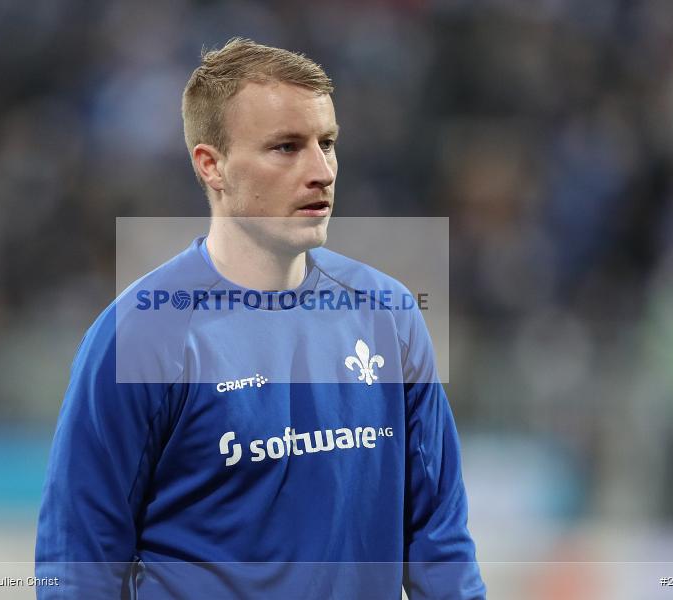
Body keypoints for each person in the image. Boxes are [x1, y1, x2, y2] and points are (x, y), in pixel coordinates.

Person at [35, 38, 486, 599]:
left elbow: (439, 543)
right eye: (286, 147)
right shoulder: (141, 336)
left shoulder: (388, 316)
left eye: (327, 143)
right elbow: (78, 562)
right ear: (212, 165)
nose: (321, 171)